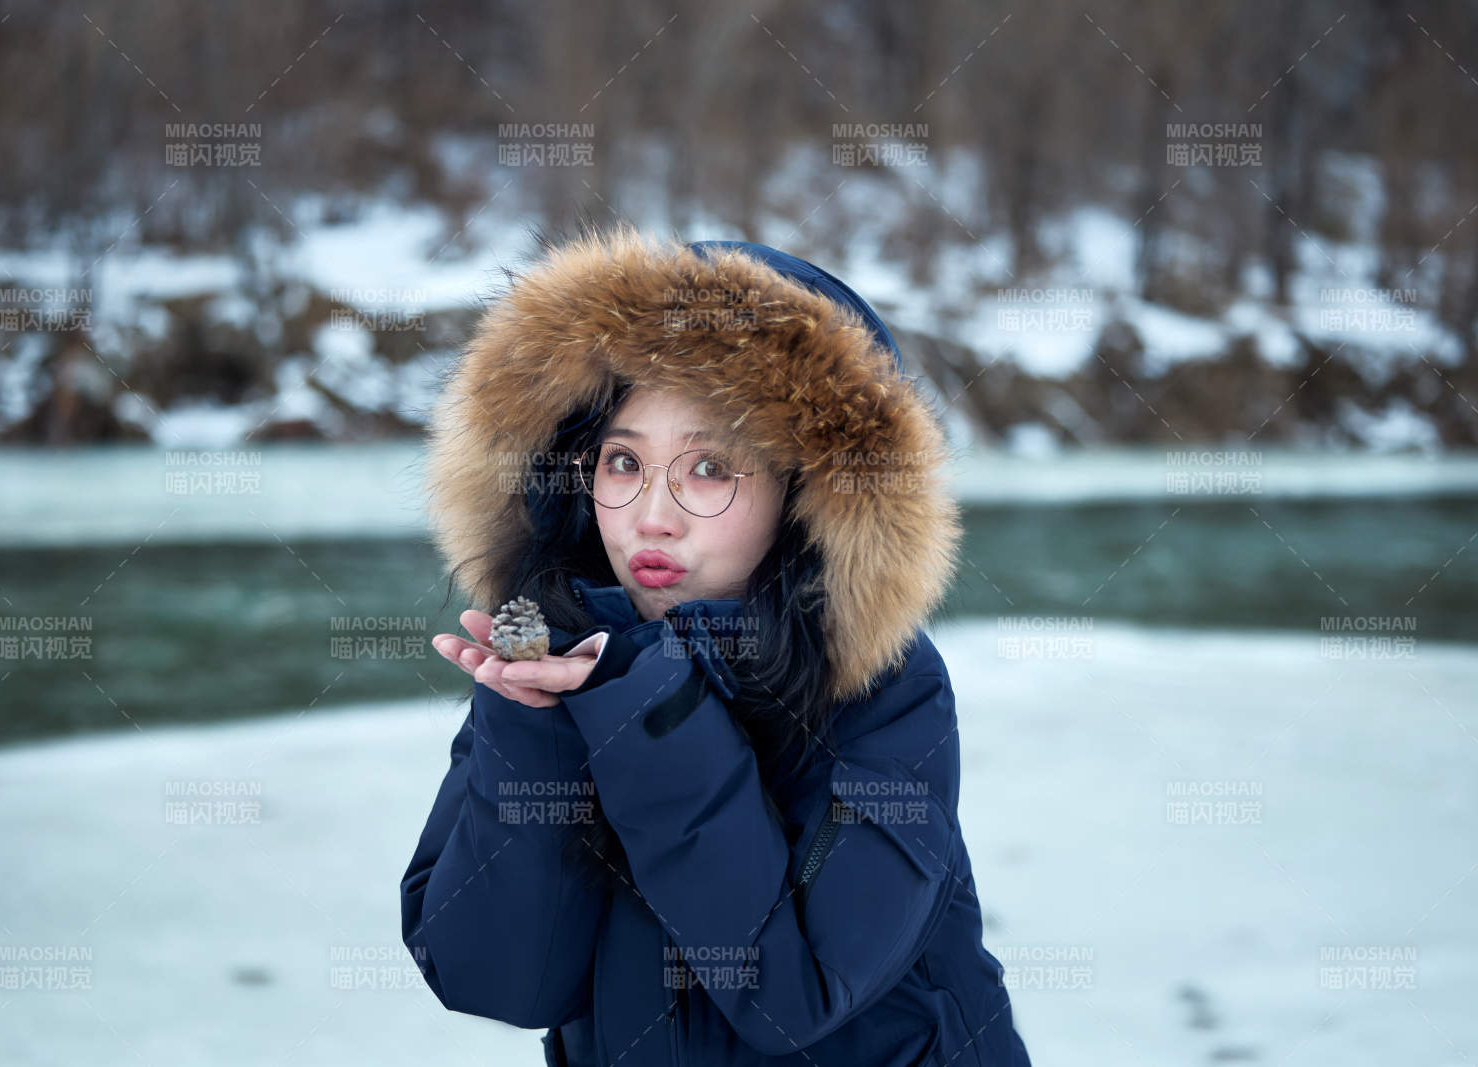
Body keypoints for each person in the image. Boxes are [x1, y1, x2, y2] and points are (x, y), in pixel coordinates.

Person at [401, 224, 1034, 1066]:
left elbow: (796, 995)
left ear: (804, 488)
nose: (651, 514)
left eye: (710, 468)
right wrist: (538, 726)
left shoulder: (886, 688)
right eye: (622, 462)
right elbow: (496, 980)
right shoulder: (559, 652)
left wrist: (646, 712)